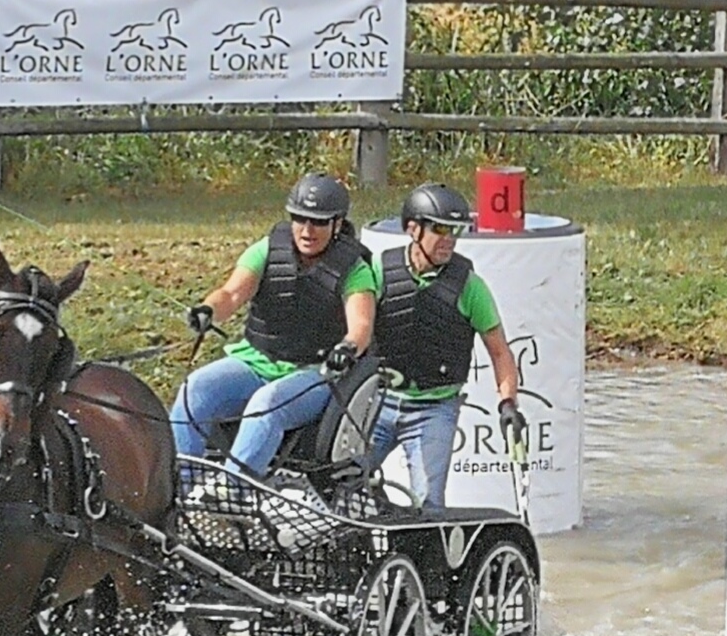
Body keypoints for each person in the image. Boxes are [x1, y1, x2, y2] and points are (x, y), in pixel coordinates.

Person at [170, 172, 377, 483]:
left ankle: (232, 494)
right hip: (256, 361)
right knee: (195, 390)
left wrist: (347, 348)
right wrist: (208, 310)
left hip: (315, 374)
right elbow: (232, 294)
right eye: (300, 218)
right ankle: (178, 489)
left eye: (319, 222)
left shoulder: (356, 271)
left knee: (266, 405)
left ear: (337, 223)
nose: (307, 230)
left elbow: (360, 325)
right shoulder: (266, 251)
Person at [367, 181, 525, 511]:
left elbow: (500, 352)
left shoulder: (470, 287)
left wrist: (508, 403)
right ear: (413, 229)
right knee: (339, 483)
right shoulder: (380, 271)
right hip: (377, 403)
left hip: (433, 409)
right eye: (439, 229)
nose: (449, 239)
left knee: (429, 504)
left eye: (456, 230)